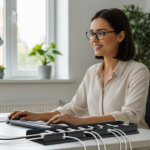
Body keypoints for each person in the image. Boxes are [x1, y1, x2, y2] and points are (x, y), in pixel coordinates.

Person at [8, 8, 149, 129]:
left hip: (135, 142)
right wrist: (35, 116)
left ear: (120, 36)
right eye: (91, 33)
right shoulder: (92, 72)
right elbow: (73, 109)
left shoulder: (138, 71)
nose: (93, 39)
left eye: (100, 33)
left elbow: (131, 116)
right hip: (103, 141)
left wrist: (81, 121)